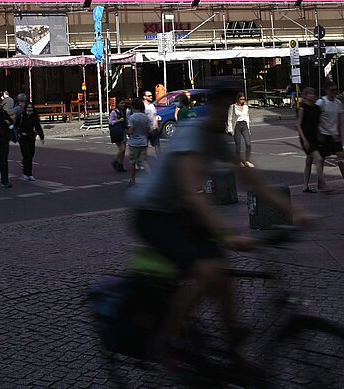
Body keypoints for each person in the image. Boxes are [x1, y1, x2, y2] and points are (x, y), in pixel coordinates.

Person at [131, 82, 303, 369]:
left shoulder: (217, 139)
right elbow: (190, 193)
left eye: (228, 107)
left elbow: (255, 183)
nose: (223, 113)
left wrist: (297, 212)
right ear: (210, 106)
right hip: (153, 213)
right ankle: (166, 341)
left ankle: (231, 343)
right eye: (220, 106)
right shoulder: (192, 134)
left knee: (220, 271)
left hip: (181, 213)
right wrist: (227, 234)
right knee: (208, 270)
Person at [314, 83, 344, 191]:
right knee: (321, 159)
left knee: (341, 157)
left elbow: (339, 119)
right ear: (326, 90)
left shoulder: (338, 103)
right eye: (332, 90)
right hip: (324, 135)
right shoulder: (321, 102)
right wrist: (319, 135)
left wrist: (339, 133)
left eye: (336, 90)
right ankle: (321, 182)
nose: (334, 92)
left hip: (334, 134)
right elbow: (318, 120)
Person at [295, 87, 322, 192]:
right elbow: (298, 125)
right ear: (305, 96)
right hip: (306, 138)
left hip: (314, 137)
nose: (313, 96)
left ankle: (305, 186)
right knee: (318, 158)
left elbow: (319, 123)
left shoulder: (317, 108)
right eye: (310, 94)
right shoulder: (302, 109)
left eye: (314, 94)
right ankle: (322, 182)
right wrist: (304, 140)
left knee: (309, 160)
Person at [14, 102, 45, 181]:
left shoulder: (34, 117)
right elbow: (16, 127)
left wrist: (42, 137)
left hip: (31, 138)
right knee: (27, 155)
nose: (30, 109)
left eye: (31, 108)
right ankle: (25, 173)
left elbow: (38, 127)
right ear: (25, 109)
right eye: (28, 108)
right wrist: (21, 133)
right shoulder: (21, 117)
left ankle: (29, 174)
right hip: (23, 139)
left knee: (30, 156)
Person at [125, 100, 153, 186]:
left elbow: (131, 131)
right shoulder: (145, 117)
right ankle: (152, 177)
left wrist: (126, 131)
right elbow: (148, 130)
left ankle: (132, 180)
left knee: (132, 163)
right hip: (143, 141)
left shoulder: (132, 118)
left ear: (133, 107)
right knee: (143, 161)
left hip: (134, 142)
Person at [228, 93, 253, 168]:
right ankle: (238, 161)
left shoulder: (246, 107)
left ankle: (247, 160)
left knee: (248, 144)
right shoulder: (232, 107)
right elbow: (230, 118)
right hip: (237, 126)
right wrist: (230, 129)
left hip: (244, 125)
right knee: (238, 145)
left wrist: (248, 129)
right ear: (237, 99)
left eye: (244, 99)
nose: (242, 101)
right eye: (241, 99)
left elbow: (247, 118)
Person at [108, 100, 127, 172]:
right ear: (117, 104)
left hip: (123, 131)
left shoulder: (124, 111)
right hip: (117, 132)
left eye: (123, 103)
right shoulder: (114, 112)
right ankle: (115, 161)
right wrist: (118, 120)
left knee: (124, 149)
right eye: (121, 103)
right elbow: (110, 122)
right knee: (121, 149)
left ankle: (120, 164)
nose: (123, 104)